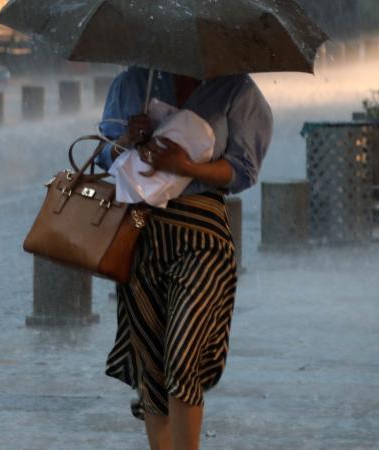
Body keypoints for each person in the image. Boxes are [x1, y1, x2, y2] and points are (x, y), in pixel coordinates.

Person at [98, 67, 272, 450]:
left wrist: (188, 167)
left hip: (202, 236)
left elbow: (243, 169)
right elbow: (103, 153)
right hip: (141, 235)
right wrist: (127, 140)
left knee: (182, 356)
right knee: (152, 362)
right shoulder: (133, 82)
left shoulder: (236, 89)